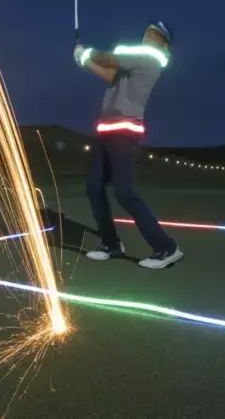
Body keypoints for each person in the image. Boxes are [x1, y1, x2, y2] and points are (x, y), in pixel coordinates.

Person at [73, 21, 183, 269]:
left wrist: (86, 53)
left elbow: (110, 59)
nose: (148, 35)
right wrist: (85, 62)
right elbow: (110, 74)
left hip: (124, 131)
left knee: (124, 192)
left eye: (154, 34)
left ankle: (167, 248)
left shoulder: (149, 57)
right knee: (94, 188)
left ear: (163, 43)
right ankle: (111, 244)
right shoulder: (135, 62)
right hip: (106, 130)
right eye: (147, 31)